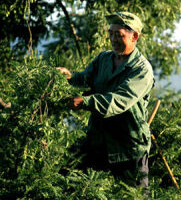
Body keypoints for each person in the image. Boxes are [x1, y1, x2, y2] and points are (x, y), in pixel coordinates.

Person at [56, 11, 154, 188]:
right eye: (111, 33)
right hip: (99, 140)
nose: (113, 39)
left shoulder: (142, 69)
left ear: (135, 36)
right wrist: (68, 78)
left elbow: (118, 101)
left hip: (128, 149)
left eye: (119, 35)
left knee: (133, 196)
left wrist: (85, 102)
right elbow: (85, 78)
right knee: (66, 178)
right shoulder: (104, 58)